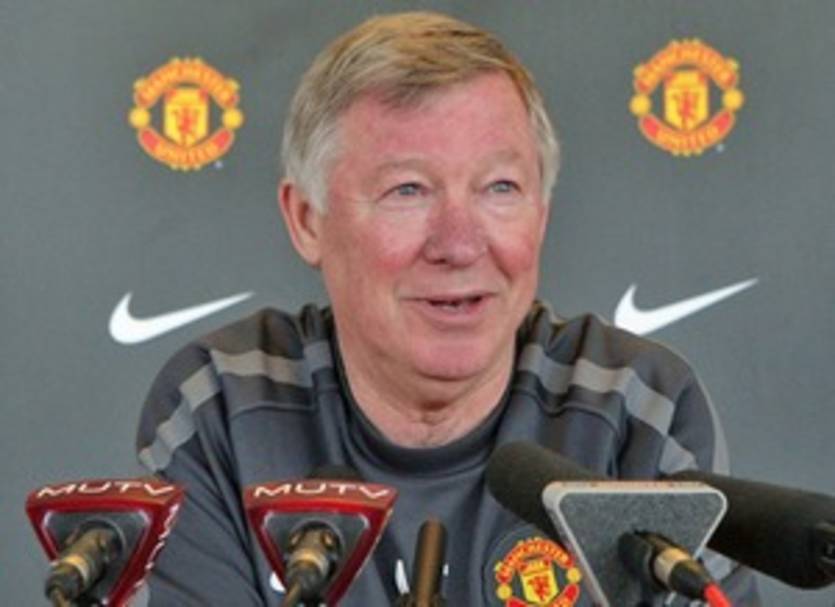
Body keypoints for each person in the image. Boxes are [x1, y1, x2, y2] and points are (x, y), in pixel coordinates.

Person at [136, 11, 759, 606]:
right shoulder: (223, 408)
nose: (459, 244)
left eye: (500, 188)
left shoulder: (638, 410)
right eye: (407, 190)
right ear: (306, 220)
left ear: (541, 215)